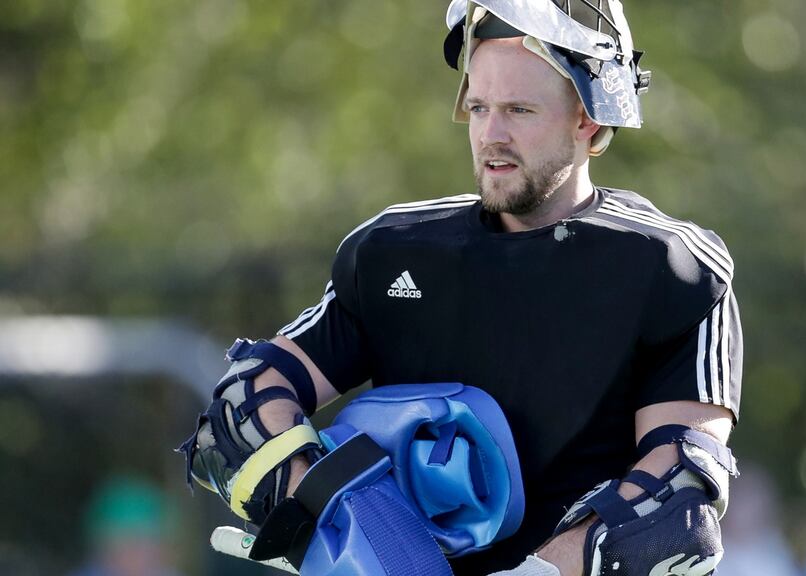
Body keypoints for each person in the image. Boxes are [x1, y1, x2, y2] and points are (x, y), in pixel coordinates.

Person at [181, 1, 743, 575]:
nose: (491, 135)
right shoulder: (392, 251)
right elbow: (244, 404)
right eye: (479, 108)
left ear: (589, 119)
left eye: (519, 110)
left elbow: (678, 499)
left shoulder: (672, 267)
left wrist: (538, 574)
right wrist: (350, 526)